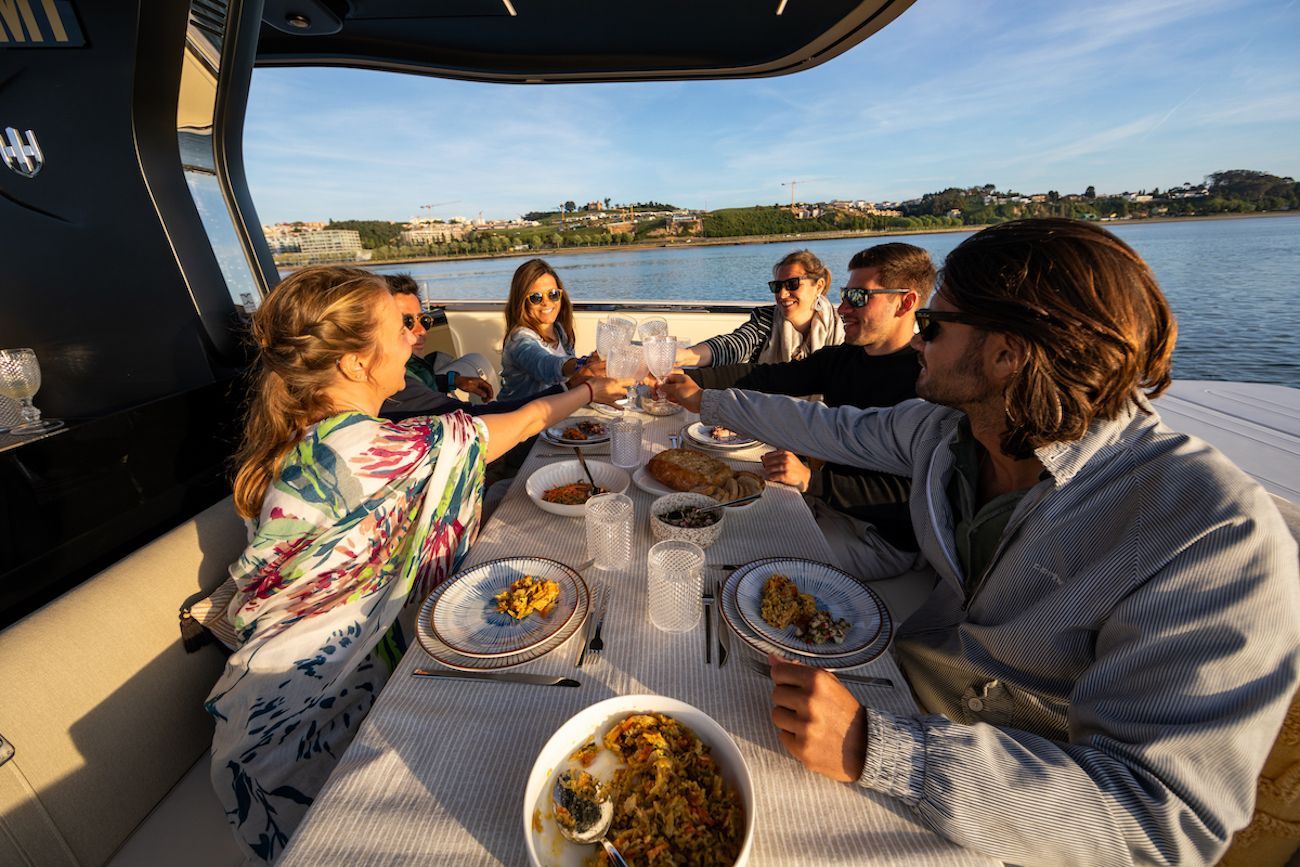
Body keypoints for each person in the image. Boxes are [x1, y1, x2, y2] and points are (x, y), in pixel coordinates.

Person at [661, 218, 1300, 865]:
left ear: (1005, 353)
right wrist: (704, 403)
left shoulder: (1213, 533)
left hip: (1020, 799)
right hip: (910, 682)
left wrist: (879, 750)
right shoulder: (950, 429)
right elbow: (829, 427)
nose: (920, 343)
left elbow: (1158, 819)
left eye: (934, 327)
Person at [207, 266, 627, 862]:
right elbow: (522, 422)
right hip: (309, 731)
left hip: (286, 701)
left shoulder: (307, 436)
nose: (416, 335)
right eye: (398, 327)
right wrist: (589, 393)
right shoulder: (371, 451)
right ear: (354, 362)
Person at [687, 244, 935, 608]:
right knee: (720, 525)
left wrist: (811, 480)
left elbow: (909, 496)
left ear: (904, 302)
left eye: (857, 297)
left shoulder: (925, 382)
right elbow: (765, 376)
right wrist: (688, 379)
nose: (843, 308)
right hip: (823, 504)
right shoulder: (844, 359)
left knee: (738, 566)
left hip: (877, 536)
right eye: (843, 296)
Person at [676, 249, 844, 367]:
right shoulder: (766, 319)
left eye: (792, 284)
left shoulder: (842, 328)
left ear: (819, 286)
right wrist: (683, 356)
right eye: (776, 287)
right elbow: (735, 344)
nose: (783, 294)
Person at [384, 273, 495, 401]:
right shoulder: (398, 384)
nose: (422, 331)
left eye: (423, 320)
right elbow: (443, 410)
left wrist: (452, 380)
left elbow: (422, 381)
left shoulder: (411, 366)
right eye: (407, 322)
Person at [498, 259, 593, 401]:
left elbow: (566, 384)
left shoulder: (559, 330)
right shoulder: (520, 341)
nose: (547, 302)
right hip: (523, 418)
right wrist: (583, 364)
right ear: (522, 301)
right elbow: (546, 366)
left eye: (553, 294)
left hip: (554, 411)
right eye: (536, 297)